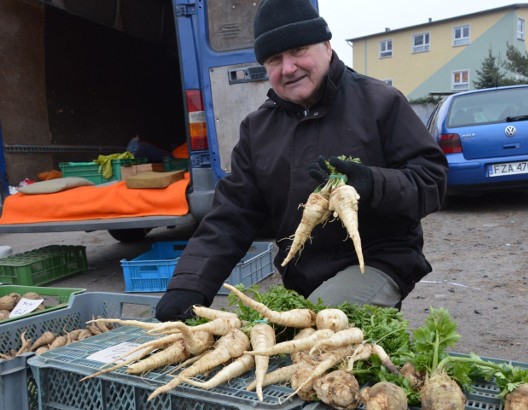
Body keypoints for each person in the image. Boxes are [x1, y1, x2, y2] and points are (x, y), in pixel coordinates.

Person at [154, 0, 448, 322]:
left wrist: (373, 184)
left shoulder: (380, 102)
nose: (288, 68)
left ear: (326, 45)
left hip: (378, 261)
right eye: (274, 59)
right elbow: (230, 217)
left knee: (304, 335)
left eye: (298, 51)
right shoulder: (257, 129)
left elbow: (431, 179)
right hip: (301, 277)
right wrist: (189, 285)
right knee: (272, 341)